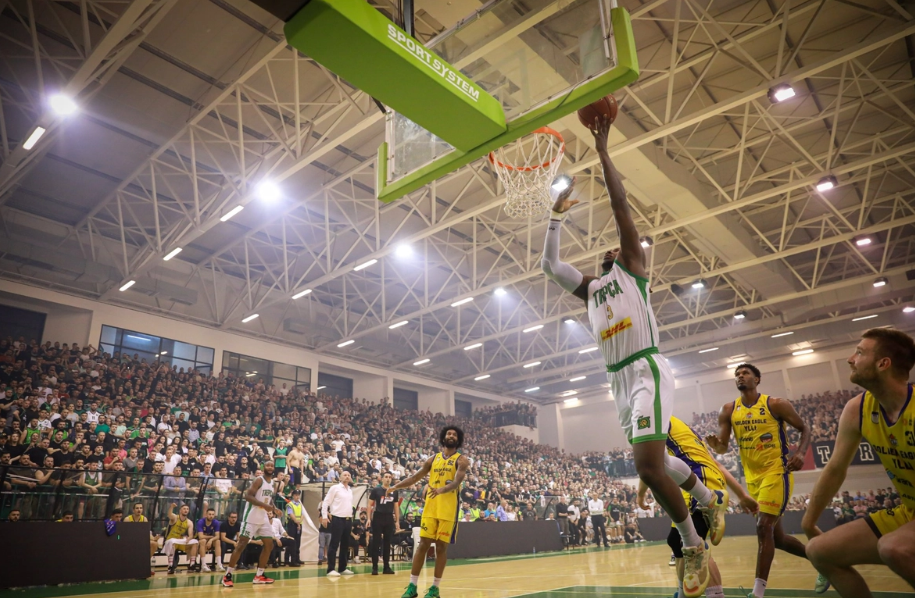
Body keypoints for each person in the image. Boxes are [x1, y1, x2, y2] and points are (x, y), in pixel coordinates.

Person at [541, 112, 727, 598]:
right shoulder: (591, 290)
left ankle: (691, 544)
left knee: (645, 466)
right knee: (656, 463)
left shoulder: (633, 272)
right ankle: (708, 498)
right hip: (617, 381)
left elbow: (621, 204)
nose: (610, 250)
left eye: (615, 249)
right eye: (604, 251)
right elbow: (549, 264)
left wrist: (603, 151)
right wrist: (556, 217)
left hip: (646, 369)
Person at [803, 329, 915, 597]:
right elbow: (835, 469)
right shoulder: (858, 409)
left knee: (894, 547)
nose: (850, 359)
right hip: (909, 512)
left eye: (860, 352)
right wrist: (809, 521)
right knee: (819, 551)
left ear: (883, 363)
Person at [706, 363, 813, 598]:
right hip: (752, 479)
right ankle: (822, 560)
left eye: (745, 373)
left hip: (777, 472)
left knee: (763, 527)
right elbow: (723, 448)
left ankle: (757, 593)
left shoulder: (775, 404)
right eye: (737, 374)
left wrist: (800, 453)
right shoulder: (728, 409)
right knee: (778, 538)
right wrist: (717, 446)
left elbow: (805, 428)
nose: (740, 376)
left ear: (757, 379)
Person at [640, 416, 759, 598]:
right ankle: (683, 595)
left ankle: (715, 595)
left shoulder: (653, 417)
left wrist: (640, 495)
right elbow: (717, 464)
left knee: (695, 546)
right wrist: (741, 495)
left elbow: (649, 464)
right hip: (703, 478)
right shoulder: (684, 430)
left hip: (697, 478)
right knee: (677, 541)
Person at [387, 426, 468, 598]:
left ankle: (435, 588)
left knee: (440, 548)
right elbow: (415, 477)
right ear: (443, 437)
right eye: (448, 433)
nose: (451, 436)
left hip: (448, 509)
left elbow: (456, 483)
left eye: (454, 434)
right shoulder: (433, 459)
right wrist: (396, 486)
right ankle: (412, 586)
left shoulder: (461, 460)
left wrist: (441, 490)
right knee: (423, 545)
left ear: (458, 439)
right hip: (431, 507)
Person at [221, 460, 283, 587]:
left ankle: (259, 575)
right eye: (267, 465)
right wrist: (266, 505)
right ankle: (227, 575)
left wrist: (274, 508)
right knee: (241, 545)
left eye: (272, 465)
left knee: (269, 544)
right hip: (251, 518)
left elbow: (268, 499)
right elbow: (248, 496)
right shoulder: (258, 480)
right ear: (263, 467)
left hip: (263, 519)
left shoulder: (273, 483)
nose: (270, 467)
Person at [322, 470, 356, 577]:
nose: (347, 476)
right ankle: (330, 569)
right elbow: (326, 502)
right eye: (345, 475)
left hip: (348, 519)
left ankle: (342, 568)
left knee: (345, 545)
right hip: (337, 519)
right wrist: (324, 517)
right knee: (334, 544)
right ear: (340, 478)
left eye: (348, 475)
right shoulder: (335, 488)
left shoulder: (350, 490)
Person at [368, 471, 400, 575]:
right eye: (386, 477)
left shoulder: (394, 491)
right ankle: (375, 567)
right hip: (378, 517)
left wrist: (397, 521)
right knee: (376, 542)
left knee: (387, 543)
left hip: (389, 517)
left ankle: (386, 567)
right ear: (382, 479)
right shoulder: (376, 490)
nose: (388, 479)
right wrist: (369, 518)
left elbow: (396, 506)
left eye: (390, 477)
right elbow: (370, 505)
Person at [163, 503, 200, 574]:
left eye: (187, 509)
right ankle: (170, 566)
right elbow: (169, 515)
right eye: (184, 509)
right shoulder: (175, 518)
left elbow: (191, 535)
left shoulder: (189, 522)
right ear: (180, 510)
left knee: (194, 542)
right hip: (170, 540)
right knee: (172, 542)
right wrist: (171, 507)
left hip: (180, 540)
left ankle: (192, 564)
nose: (186, 510)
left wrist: (188, 539)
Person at [125, 502, 159, 576]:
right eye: (137, 508)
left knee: (154, 544)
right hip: (130, 541)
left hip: (140, 540)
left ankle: (145, 564)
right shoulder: (127, 519)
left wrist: (154, 538)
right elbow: (124, 534)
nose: (139, 510)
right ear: (133, 510)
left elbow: (146, 532)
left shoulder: (144, 519)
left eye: (140, 508)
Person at [196, 507, 225, 572]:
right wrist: (210, 537)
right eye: (209, 514)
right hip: (200, 541)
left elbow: (217, 536)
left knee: (217, 541)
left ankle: (219, 565)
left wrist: (211, 540)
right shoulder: (201, 522)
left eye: (212, 514)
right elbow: (200, 536)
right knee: (203, 541)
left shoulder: (216, 522)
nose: (211, 516)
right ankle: (203, 565)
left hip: (209, 540)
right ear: (206, 514)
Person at [284, 489, 304, 566]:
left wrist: (299, 523)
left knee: (298, 542)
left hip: (299, 525)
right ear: (293, 496)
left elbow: (302, 515)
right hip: (292, 524)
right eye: (296, 495)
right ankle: (288, 560)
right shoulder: (290, 504)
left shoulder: (300, 504)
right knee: (291, 542)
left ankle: (296, 558)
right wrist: (297, 522)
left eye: (298, 495)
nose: (297, 496)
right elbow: (291, 514)